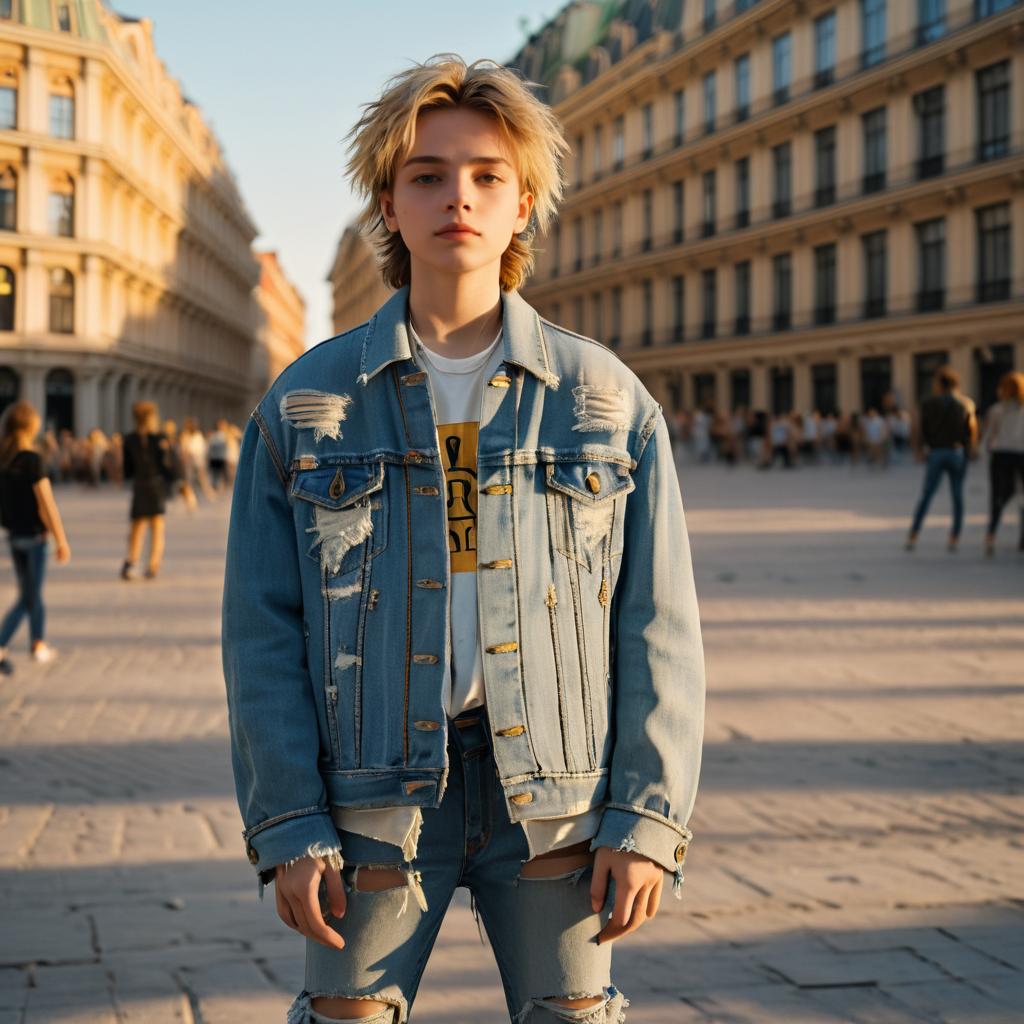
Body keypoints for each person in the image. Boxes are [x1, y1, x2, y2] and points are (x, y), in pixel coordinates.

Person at [221, 55, 705, 1024]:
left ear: (524, 203)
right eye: (428, 175)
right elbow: (261, 632)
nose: (459, 197)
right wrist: (288, 823)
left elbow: (659, 621)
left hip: (557, 797)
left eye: (487, 174)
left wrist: (648, 818)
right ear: (388, 207)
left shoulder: (601, 397)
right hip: (371, 799)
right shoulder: (312, 404)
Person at [0, 400, 71, 672]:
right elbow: (47, 504)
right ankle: (6, 642)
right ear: (32, 426)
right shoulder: (32, 460)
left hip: (13, 535)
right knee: (29, 597)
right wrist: (61, 539)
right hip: (34, 537)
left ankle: (38, 643)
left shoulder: (4, 460)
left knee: (30, 593)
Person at [906, 366, 977, 553]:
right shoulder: (965, 403)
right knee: (957, 496)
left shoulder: (928, 403)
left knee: (927, 494)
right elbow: (972, 430)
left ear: (939, 384)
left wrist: (919, 449)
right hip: (956, 452)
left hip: (936, 452)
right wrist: (971, 449)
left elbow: (919, 428)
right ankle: (954, 537)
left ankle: (914, 533)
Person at [121, 400, 175, 580]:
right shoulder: (159, 438)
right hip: (156, 485)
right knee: (157, 526)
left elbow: (127, 470)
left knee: (138, 525)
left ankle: (131, 561)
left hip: (140, 485)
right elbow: (166, 466)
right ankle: (153, 565)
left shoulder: (129, 439)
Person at [981, 370, 1024, 557]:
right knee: (1022, 497)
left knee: (998, 496)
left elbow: (989, 436)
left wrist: (985, 451)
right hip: (1022, 454)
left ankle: (991, 535)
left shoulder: (996, 410)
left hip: (1001, 455)